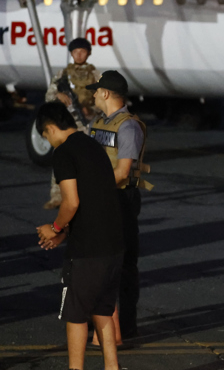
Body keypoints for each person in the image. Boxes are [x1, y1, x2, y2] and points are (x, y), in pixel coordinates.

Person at [34, 102, 124, 370]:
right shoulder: (92, 146)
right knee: (103, 310)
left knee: (75, 314)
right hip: (113, 245)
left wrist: (56, 228)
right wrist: (63, 234)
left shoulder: (63, 153)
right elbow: (95, 200)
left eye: (46, 136)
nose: (48, 142)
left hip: (87, 252)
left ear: (50, 128)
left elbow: (71, 202)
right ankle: (112, 367)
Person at [86, 70, 152, 342]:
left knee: (123, 266)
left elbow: (123, 171)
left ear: (105, 93)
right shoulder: (98, 122)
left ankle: (124, 328)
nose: (92, 94)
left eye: (96, 90)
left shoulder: (128, 127)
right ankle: (102, 328)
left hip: (120, 199)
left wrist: (92, 187)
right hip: (102, 198)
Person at [43, 37, 101, 209]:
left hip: (87, 123)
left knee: (86, 162)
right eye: (75, 52)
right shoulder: (63, 74)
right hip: (65, 123)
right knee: (61, 158)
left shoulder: (96, 75)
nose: (79, 54)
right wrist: (58, 95)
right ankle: (57, 196)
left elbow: (106, 99)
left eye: (82, 51)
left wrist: (92, 110)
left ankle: (84, 197)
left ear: (88, 53)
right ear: (71, 53)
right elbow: (48, 96)